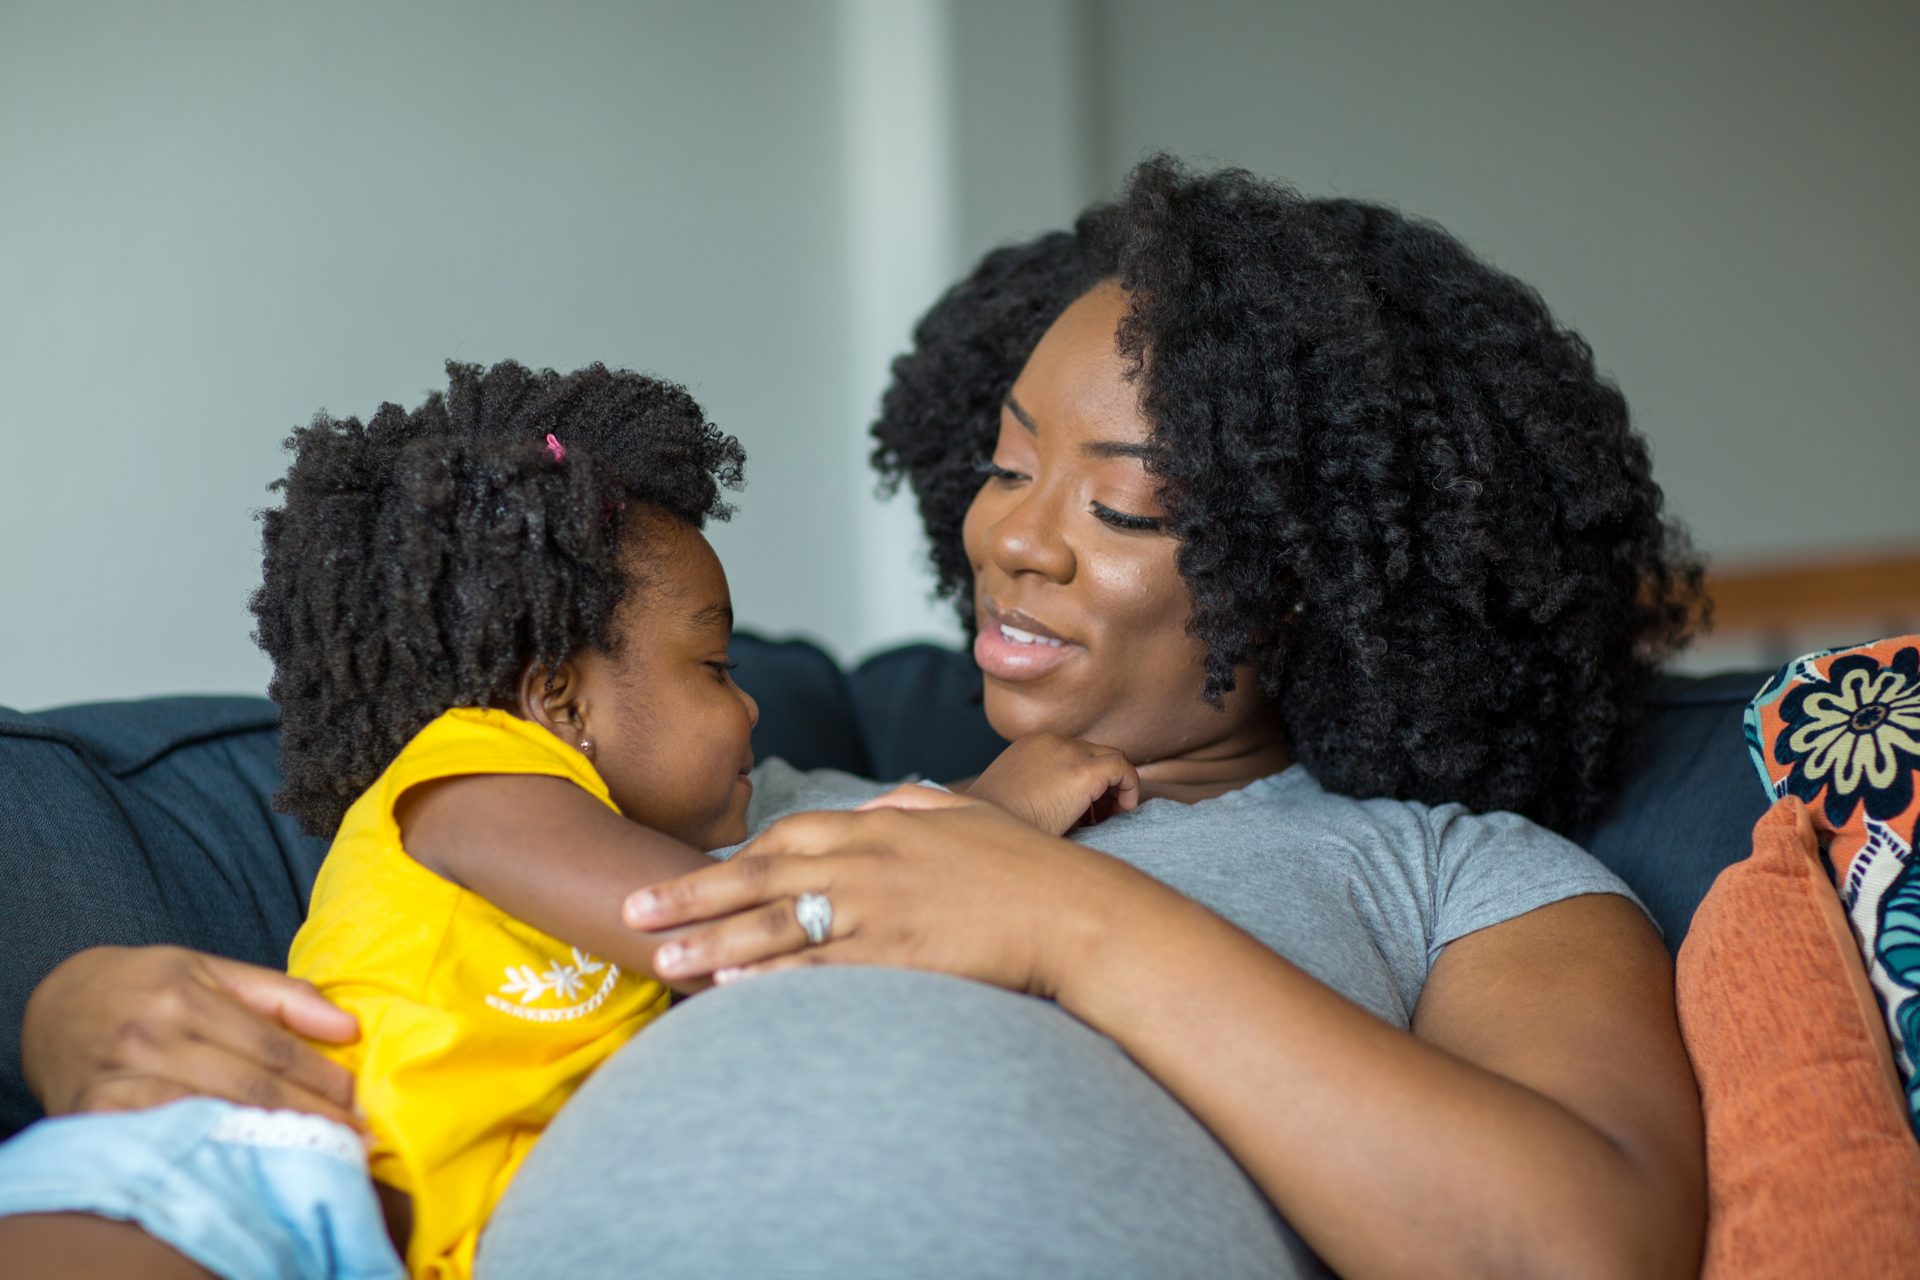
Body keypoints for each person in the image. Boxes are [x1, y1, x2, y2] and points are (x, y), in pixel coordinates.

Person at [12, 158, 1709, 1279]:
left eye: (1122, 506)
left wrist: (1067, 925)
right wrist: (83, 1011)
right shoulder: (721, 787)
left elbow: (1582, 1247)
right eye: (1002, 464)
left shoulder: (1460, 880)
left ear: (1336, 565)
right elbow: (416, 930)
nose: (1008, 538)